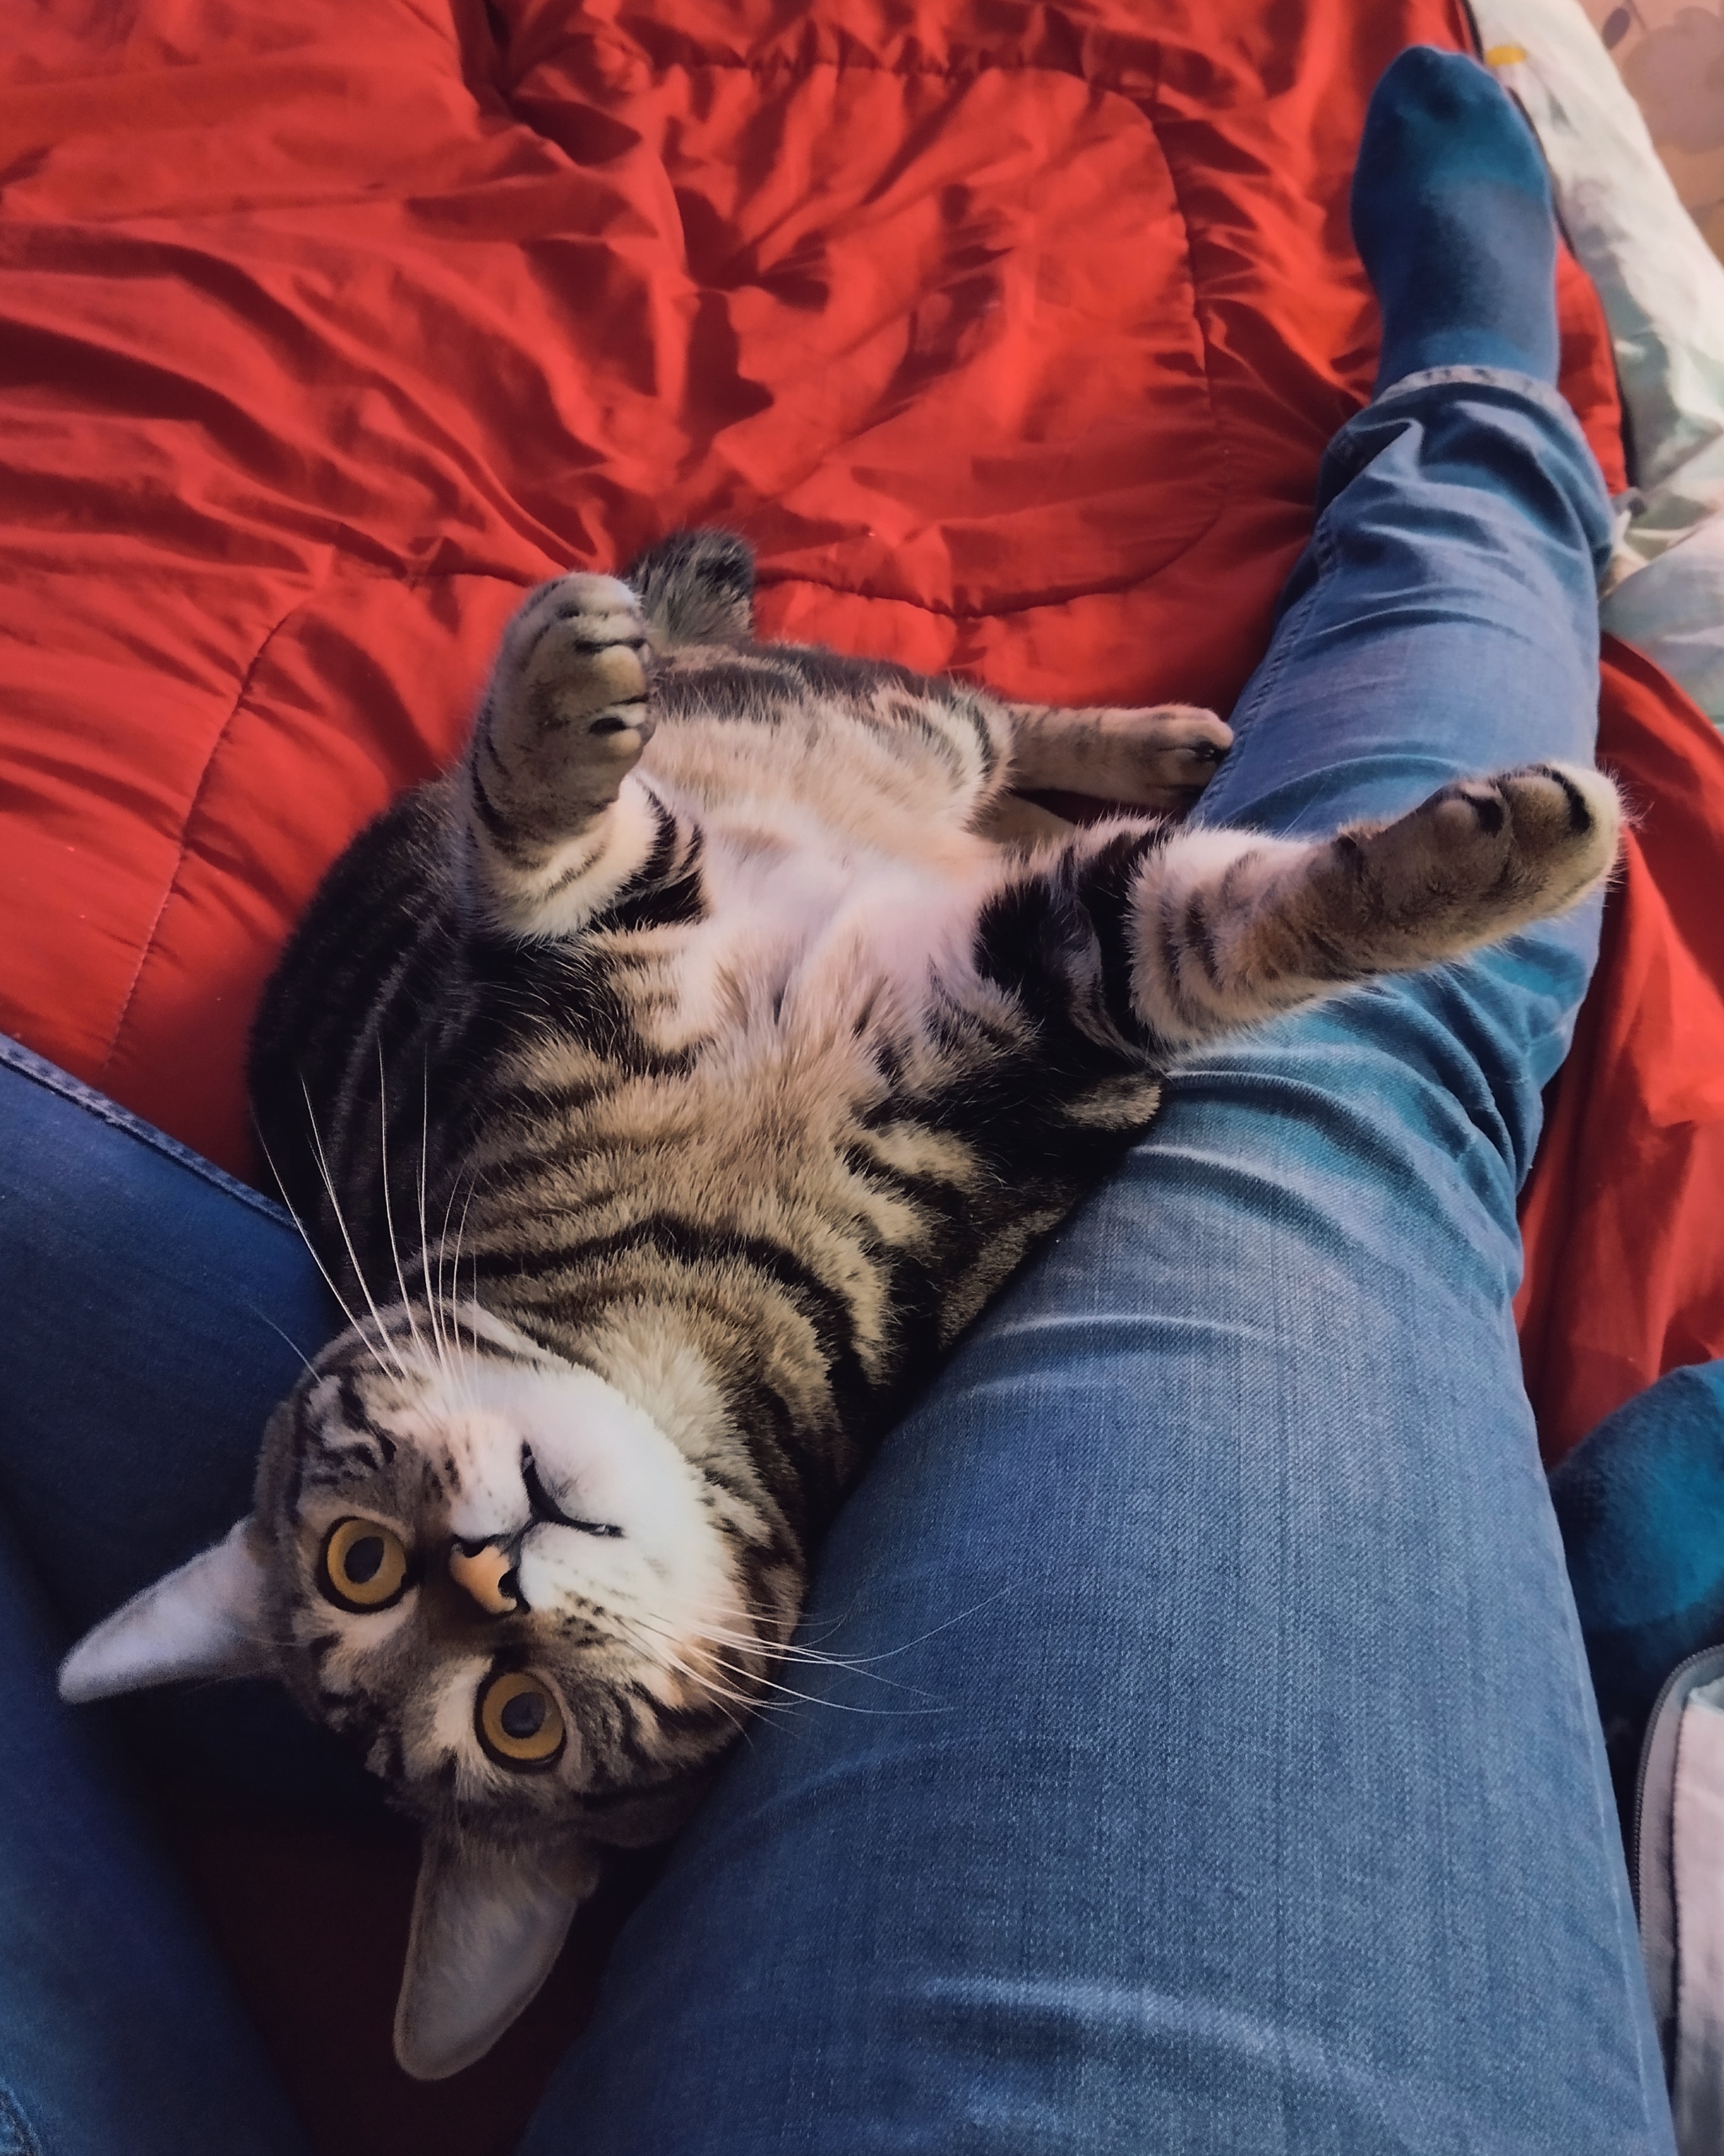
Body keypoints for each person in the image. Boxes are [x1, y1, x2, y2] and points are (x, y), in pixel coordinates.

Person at [0, 49, 1679, 2153]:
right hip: (883, 1216)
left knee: (933, 792)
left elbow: (571, 932)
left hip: (603, 917)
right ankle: (1479, 420)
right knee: (1334, 1085)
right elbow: (1058, 1010)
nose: (489, 1589)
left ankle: (1349, 508)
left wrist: (545, 829)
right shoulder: (738, 1502)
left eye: (364, 1562)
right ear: (597, 1823)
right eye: (517, 1715)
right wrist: (1311, 923)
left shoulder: (482, 1256)